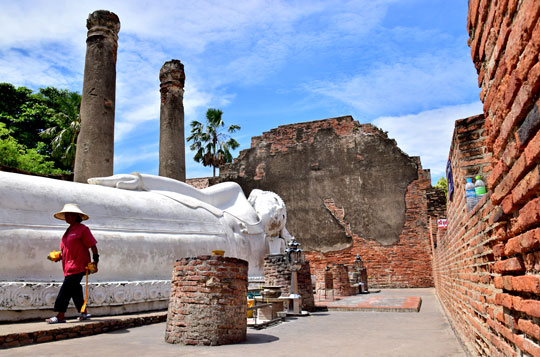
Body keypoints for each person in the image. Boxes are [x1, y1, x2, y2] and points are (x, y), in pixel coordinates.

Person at [46, 203, 99, 324]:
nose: (67, 217)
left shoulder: (83, 229)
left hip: (79, 265)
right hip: (67, 266)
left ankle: (60, 315)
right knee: (75, 289)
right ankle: (84, 312)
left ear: (76, 216)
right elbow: (68, 249)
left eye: (70, 215)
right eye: (66, 215)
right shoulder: (68, 231)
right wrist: (58, 255)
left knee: (66, 289)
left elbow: (93, 246)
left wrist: (95, 261)